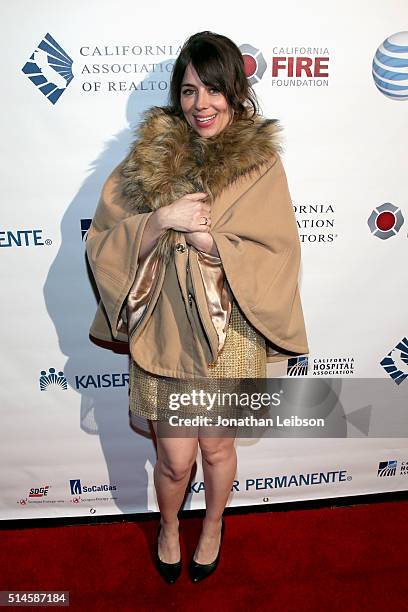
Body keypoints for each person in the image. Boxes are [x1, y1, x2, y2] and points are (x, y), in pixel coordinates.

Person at [86, 31, 309, 584]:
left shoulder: (260, 165)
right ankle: (167, 526)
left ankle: (211, 526)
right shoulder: (149, 159)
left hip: (231, 332)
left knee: (217, 449)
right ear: (176, 96)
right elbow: (103, 240)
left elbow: (280, 250)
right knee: (174, 460)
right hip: (165, 329)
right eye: (189, 91)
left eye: (213, 90)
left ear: (235, 92)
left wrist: (217, 246)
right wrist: (161, 220)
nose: (201, 104)